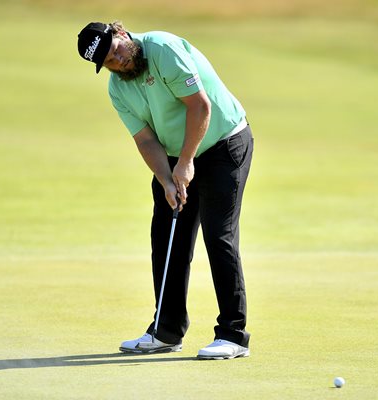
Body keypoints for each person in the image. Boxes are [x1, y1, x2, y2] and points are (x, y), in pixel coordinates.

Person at [77, 21, 254, 360]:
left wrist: (186, 162)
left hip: (224, 144)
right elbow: (145, 139)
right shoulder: (119, 89)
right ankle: (167, 330)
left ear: (122, 33)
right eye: (109, 62)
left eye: (116, 50)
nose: (118, 61)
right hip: (175, 156)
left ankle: (233, 334)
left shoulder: (162, 49)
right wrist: (166, 179)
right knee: (167, 235)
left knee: (219, 236)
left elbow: (200, 106)